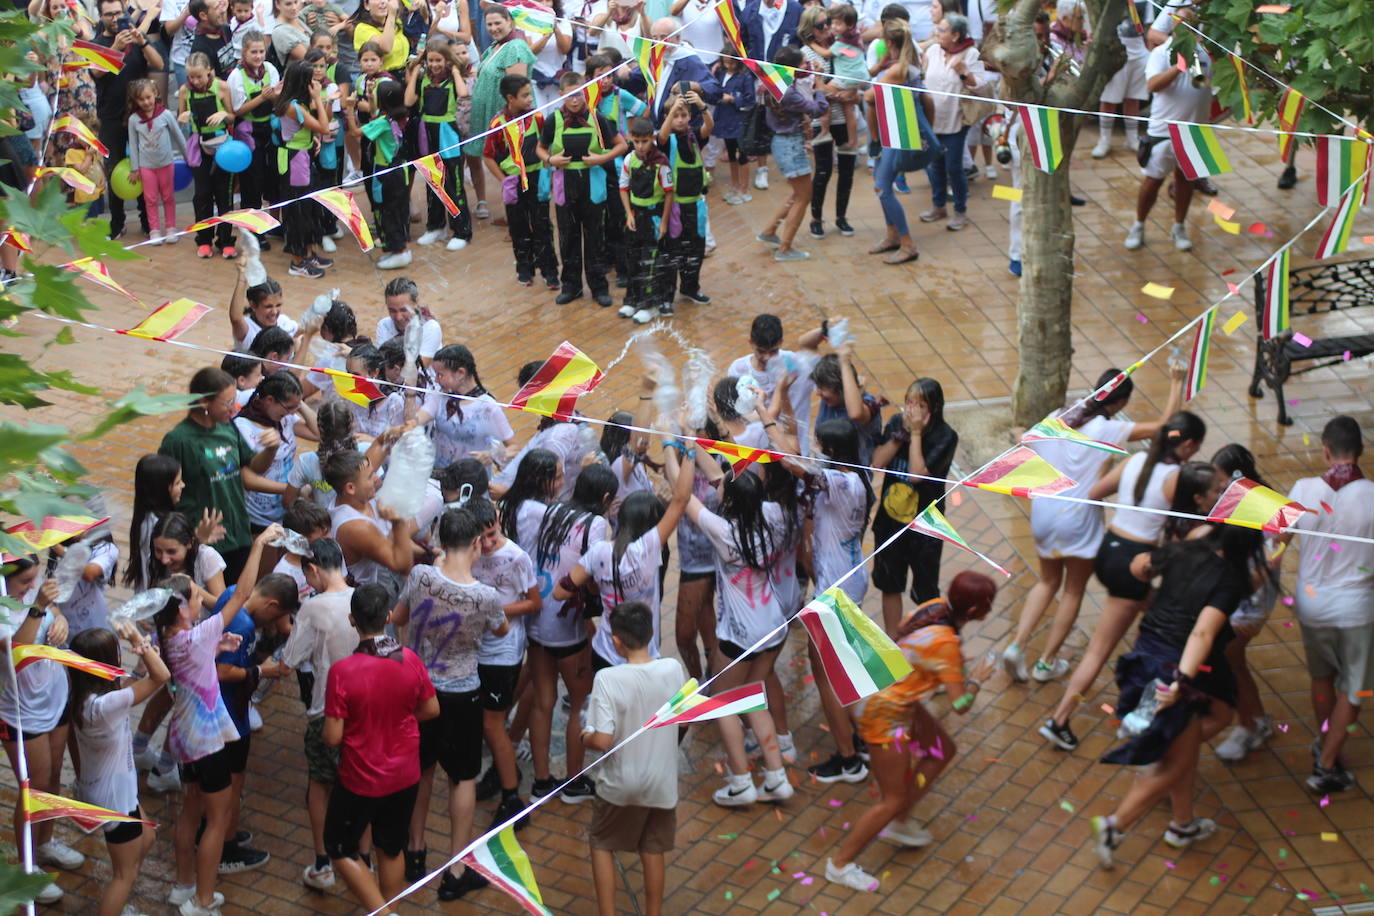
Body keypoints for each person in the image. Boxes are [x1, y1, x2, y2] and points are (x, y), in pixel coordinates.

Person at [1090, 525, 1268, 868]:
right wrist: (1180, 681)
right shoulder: (1229, 579)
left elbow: (1138, 567)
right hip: (1175, 667)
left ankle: (1182, 824)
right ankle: (1116, 825)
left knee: (1199, 733)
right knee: (1178, 760)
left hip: (1149, 653)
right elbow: (1203, 631)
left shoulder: (1183, 552)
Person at [1004, 365, 1184, 683]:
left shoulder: (1062, 415)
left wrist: (1021, 433)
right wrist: (1177, 383)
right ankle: (1046, 662)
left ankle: (1017, 646)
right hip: (1078, 519)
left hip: (1044, 511)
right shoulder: (1106, 429)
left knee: (1046, 582)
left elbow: (1024, 441)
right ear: (1121, 402)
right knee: (1073, 591)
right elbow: (1165, 428)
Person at [1041, 410, 1208, 751]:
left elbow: (1095, 492)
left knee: (1153, 614)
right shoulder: (1177, 476)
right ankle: (1059, 720)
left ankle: (1141, 689)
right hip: (1136, 564)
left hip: (1109, 550)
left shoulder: (1135, 462)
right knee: (1099, 650)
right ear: (1189, 445)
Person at [825, 572, 997, 892]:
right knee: (890, 799)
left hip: (895, 693)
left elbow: (911, 643)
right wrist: (976, 679)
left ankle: (900, 822)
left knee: (941, 751)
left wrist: (949, 666)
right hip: (884, 713)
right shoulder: (946, 643)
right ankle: (840, 864)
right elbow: (960, 703)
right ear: (974, 611)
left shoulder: (933, 607)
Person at [155, 526, 276, 915]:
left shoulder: (172, 638)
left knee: (191, 809)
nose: (199, 599)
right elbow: (240, 595)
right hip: (208, 741)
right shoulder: (198, 635)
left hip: (184, 735)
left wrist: (215, 648)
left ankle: (183, 885)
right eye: (193, 597)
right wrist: (257, 544)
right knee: (217, 818)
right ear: (180, 610)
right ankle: (203, 902)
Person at [393, 507, 509, 901]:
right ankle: (456, 868)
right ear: (476, 543)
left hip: (420, 688)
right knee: (462, 777)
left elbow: (400, 615)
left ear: (441, 542)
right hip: (462, 694)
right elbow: (502, 627)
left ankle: (415, 850)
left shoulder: (422, 575)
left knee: (421, 769)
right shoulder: (486, 596)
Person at [671, 453, 795, 807]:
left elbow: (684, 498)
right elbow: (723, 478)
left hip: (740, 634)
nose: (719, 486)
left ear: (730, 500)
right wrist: (695, 444)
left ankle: (741, 781)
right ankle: (776, 777)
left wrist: (672, 449)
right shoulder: (771, 515)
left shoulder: (724, 530)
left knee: (723, 703)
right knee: (753, 697)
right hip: (773, 625)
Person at [323, 583, 439, 911]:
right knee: (390, 847)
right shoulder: (410, 659)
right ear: (388, 617)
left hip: (360, 777)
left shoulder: (342, 672)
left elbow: (332, 736)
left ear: (351, 620)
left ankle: (383, 912)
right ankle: (391, 906)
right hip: (405, 773)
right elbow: (431, 709)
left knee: (339, 846)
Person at [1283, 415, 1374, 793]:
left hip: (1311, 603)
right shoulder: (1371, 495)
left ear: (1325, 451)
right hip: (1356, 609)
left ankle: (1325, 742)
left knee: (1321, 677)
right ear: (1361, 451)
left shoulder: (1302, 489)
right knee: (1356, 689)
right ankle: (1327, 764)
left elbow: (1275, 542)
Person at [517, 460, 617, 803]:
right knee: (579, 703)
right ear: (605, 497)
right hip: (567, 624)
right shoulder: (598, 524)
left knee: (543, 702)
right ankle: (574, 782)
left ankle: (542, 781)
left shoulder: (553, 511)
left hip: (538, 618)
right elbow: (592, 571)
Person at [582, 601, 685, 916]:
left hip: (620, 783)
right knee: (652, 848)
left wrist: (582, 735)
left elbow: (601, 740)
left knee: (601, 842)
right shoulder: (672, 669)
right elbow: (684, 715)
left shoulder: (608, 679)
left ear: (616, 641)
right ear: (651, 632)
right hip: (662, 782)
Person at [69, 622, 169, 916]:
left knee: (147, 838)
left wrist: (143, 662)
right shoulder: (106, 705)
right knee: (124, 876)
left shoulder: (85, 697)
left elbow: (134, 684)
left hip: (112, 789)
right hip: (114, 798)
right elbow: (162, 676)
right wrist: (141, 641)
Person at [280, 538, 357, 891]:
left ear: (312, 570)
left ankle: (323, 862)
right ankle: (362, 859)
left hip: (325, 710)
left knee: (320, 784)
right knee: (359, 786)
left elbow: (290, 661)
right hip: (364, 712)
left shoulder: (313, 607)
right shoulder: (363, 597)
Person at [160, 367, 285, 582]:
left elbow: (252, 468)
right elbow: (164, 495)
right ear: (203, 403)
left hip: (238, 533)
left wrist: (271, 449)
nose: (233, 409)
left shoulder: (227, 428)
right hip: (207, 541)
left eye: (234, 401)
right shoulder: (178, 441)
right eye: (227, 403)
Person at [0, 563, 74, 905]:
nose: (32, 585)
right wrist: (39, 607)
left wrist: (59, 620)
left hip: (54, 696)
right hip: (21, 712)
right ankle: (28, 873)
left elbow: (57, 614)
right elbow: (17, 652)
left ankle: (46, 842)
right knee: (34, 789)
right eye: (24, 581)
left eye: (35, 578)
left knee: (55, 775)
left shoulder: (35, 590)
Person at [467, 499, 540, 828]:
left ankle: (512, 798)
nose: (486, 544)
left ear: (499, 524)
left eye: (492, 536)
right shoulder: (466, 553)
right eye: (479, 539)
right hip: (475, 650)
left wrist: (492, 608)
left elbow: (533, 602)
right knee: (486, 724)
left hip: (504, 653)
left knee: (492, 725)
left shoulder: (516, 557)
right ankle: (500, 774)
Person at [1208, 444, 1280, 763]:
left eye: (1221, 478)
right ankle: (1255, 721)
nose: (1217, 485)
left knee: (1229, 654)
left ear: (1238, 476)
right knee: (1233, 660)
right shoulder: (1229, 500)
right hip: (1233, 589)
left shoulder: (1269, 506)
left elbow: (1275, 555)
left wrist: (1244, 585)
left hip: (1251, 597)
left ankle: (1250, 724)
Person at [869, 378, 958, 634]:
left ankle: (926, 644)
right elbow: (877, 461)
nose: (912, 410)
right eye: (909, 403)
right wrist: (901, 436)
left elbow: (917, 474)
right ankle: (893, 641)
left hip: (925, 527)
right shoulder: (898, 424)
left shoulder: (946, 436)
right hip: (890, 521)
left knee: (926, 592)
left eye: (919, 405)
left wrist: (916, 434)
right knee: (890, 584)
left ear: (934, 408)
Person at [537, 69, 627, 307]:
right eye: (569, 96)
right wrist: (550, 160)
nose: (574, 100)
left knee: (595, 237)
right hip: (565, 184)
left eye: (578, 95)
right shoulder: (553, 120)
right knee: (568, 237)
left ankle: (598, 288)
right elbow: (540, 148)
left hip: (593, 183)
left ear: (586, 94)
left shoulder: (598, 118)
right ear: (561, 96)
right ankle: (571, 286)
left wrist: (600, 159)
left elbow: (622, 145)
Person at [1125, 4, 1210, 252]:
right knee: (1152, 181)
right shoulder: (1161, 53)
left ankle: (1179, 226)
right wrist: (1178, 68)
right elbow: (1152, 86)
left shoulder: (1202, 54)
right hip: (1163, 130)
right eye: (1181, 25)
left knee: (1185, 180)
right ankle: (1138, 224)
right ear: (1173, 27)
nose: (1186, 30)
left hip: (1192, 131)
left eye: (1190, 26)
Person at [91, 0, 162, 240]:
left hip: (141, 117)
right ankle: (118, 222)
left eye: (118, 13)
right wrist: (116, 47)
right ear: (100, 16)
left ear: (125, 13)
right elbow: (97, 72)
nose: (114, 18)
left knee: (144, 167)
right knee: (114, 171)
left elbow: (158, 64)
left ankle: (146, 220)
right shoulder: (98, 43)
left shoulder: (136, 37)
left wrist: (142, 42)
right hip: (111, 117)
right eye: (108, 14)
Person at [484, 73, 561, 289]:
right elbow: (488, 156)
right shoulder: (498, 123)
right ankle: (524, 269)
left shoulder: (536, 118)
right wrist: (504, 181)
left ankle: (550, 271)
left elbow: (545, 146)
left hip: (537, 177)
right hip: (514, 182)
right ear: (510, 98)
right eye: (525, 95)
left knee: (543, 225)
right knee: (518, 228)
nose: (530, 99)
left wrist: (549, 172)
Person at [756, 46, 827, 261]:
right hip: (791, 145)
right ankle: (785, 248)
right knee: (804, 197)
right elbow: (817, 109)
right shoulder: (788, 92)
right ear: (793, 67)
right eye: (804, 62)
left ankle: (769, 231)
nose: (808, 65)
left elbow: (802, 76)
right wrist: (820, 85)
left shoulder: (776, 81)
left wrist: (812, 73)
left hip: (784, 143)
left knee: (797, 194)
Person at [918, 12, 986, 232]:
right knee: (934, 164)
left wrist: (963, 71)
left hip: (956, 119)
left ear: (956, 35)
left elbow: (980, 87)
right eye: (938, 28)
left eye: (942, 30)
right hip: (932, 118)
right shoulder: (933, 51)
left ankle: (960, 211)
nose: (937, 33)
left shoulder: (971, 53)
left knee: (954, 167)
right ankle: (938, 207)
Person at [406, 36, 474, 251]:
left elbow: (464, 94)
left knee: (453, 184)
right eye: (431, 61)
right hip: (427, 133)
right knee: (432, 182)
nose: (434, 65)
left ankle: (462, 230)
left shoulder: (454, 78)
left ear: (446, 60)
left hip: (448, 134)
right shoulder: (423, 79)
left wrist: (455, 71)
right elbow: (408, 102)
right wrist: (415, 72)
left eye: (438, 60)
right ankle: (436, 227)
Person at [864, 18, 924, 264]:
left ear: (889, 42)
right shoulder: (908, 62)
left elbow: (869, 96)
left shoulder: (897, 69)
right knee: (881, 186)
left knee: (883, 187)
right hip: (890, 130)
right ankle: (892, 235)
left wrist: (876, 73)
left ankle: (908, 243)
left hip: (896, 132)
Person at [323, 448, 418, 600]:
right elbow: (402, 565)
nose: (377, 479)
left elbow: (379, 446)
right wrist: (398, 523)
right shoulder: (356, 527)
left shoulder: (347, 497)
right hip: (363, 598)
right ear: (350, 488)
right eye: (370, 477)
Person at [276, 58, 337, 277]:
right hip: (295, 161)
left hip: (304, 155)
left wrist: (313, 139)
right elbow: (323, 126)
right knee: (298, 211)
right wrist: (319, 99)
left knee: (310, 208)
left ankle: (309, 253)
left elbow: (316, 128)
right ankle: (297, 261)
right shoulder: (293, 107)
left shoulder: (298, 104)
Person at [346, 77, 416, 269]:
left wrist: (350, 109)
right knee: (399, 210)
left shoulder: (383, 123)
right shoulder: (399, 116)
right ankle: (399, 249)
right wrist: (372, 95)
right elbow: (376, 112)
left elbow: (354, 133)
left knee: (389, 212)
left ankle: (399, 251)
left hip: (386, 173)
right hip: (400, 169)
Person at [655, 89, 711, 311]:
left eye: (684, 115)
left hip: (695, 204)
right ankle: (666, 296)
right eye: (675, 116)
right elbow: (662, 136)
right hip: (674, 206)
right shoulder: (666, 142)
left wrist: (702, 106)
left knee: (695, 250)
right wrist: (673, 109)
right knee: (672, 252)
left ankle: (690, 287)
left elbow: (710, 127)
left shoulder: (694, 137)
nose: (680, 120)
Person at [416, 344, 516, 468]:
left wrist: (492, 455)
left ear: (460, 373)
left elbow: (514, 448)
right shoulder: (439, 398)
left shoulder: (489, 407)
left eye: (440, 375)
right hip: (440, 476)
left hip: (472, 481)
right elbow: (415, 421)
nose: (436, 380)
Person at [178, 51, 238, 259]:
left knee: (224, 194)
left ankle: (226, 240)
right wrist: (183, 116)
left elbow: (232, 118)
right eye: (191, 76)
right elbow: (181, 116)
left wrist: (224, 115)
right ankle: (203, 240)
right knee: (202, 195)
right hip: (199, 145)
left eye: (199, 76)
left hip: (222, 146)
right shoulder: (185, 91)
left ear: (209, 72)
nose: (195, 81)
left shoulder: (221, 87)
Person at [737, 0, 801, 190]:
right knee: (760, 123)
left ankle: (794, 164)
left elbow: (800, 42)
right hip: (757, 77)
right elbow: (744, 43)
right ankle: (762, 168)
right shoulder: (750, 12)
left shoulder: (795, 9)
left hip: (786, 77)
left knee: (790, 119)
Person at [617, 115, 674, 323]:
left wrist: (664, 222)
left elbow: (669, 193)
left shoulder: (661, 163)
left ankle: (650, 305)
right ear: (631, 139)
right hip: (635, 216)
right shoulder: (629, 160)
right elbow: (623, 188)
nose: (640, 146)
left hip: (653, 216)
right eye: (636, 141)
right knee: (632, 259)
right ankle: (632, 300)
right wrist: (628, 213)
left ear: (652, 139)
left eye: (645, 141)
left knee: (651, 261)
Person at [466, 5, 536, 168]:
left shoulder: (515, 47)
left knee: (513, 169)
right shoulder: (495, 46)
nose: (493, 28)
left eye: (498, 23)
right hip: (492, 118)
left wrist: (509, 123)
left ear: (510, 22)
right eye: (489, 24)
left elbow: (518, 90)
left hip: (508, 123)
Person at [1091, 0, 1148, 159]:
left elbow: (1147, 26)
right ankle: (1105, 140)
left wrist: (1148, 53)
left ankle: (1132, 138)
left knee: (1134, 97)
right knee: (1109, 99)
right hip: (1115, 50)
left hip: (1139, 52)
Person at [711, 52, 756, 205]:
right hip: (725, 118)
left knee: (742, 154)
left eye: (732, 63)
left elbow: (751, 99)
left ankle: (744, 188)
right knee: (731, 153)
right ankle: (735, 186)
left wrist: (734, 99)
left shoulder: (745, 77)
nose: (729, 66)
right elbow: (713, 90)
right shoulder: (720, 73)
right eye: (726, 62)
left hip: (738, 120)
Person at [376, 276, 443, 357]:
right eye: (392, 311)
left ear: (416, 303)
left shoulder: (430, 327)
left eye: (404, 310)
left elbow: (419, 366)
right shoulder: (384, 325)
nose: (398, 317)